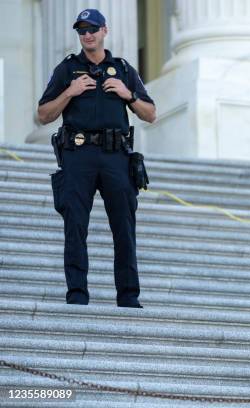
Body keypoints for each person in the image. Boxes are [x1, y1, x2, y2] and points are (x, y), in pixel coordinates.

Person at [37, 9, 156, 307]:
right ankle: (77, 295)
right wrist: (69, 92)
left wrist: (129, 95)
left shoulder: (124, 69)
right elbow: (43, 115)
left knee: (124, 228)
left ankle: (128, 297)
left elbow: (151, 114)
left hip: (116, 156)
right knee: (75, 225)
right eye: (81, 30)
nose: (87, 35)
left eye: (92, 29)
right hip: (78, 155)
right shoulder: (67, 70)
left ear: (105, 31)